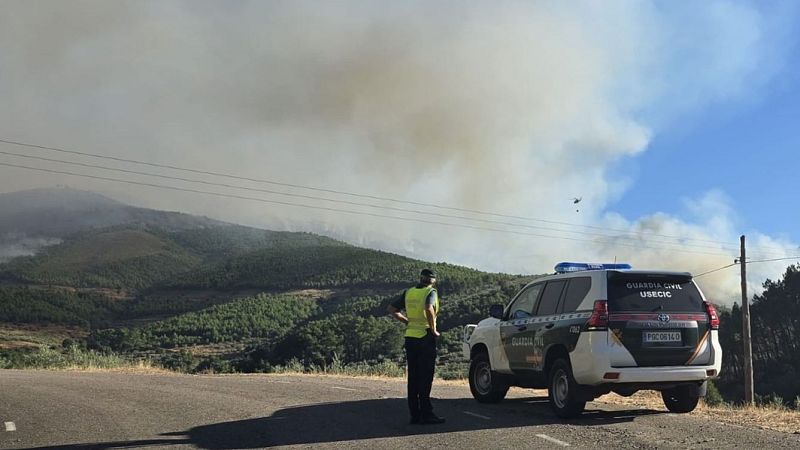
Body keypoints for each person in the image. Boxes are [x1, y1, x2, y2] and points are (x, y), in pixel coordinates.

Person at [387, 268, 445, 425]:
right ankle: (427, 414)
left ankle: (414, 414)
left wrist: (407, 321)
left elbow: (392, 309)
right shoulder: (430, 292)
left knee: (413, 377)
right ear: (433, 280)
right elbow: (428, 308)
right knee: (425, 377)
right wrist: (433, 329)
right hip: (425, 337)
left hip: (410, 337)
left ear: (421, 278)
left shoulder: (409, 292)